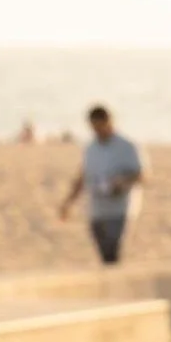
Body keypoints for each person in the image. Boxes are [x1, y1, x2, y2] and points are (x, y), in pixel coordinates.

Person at [58, 105, 145, 264]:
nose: (98, 131)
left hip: (120, 208)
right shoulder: (91, 148)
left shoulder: (127, 146)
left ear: (109, 122)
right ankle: (111, 282)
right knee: (104, 254)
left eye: (100, 126)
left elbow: (141, 175)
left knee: (113, 251)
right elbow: (82, 177)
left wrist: (120, 181)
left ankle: (115, 284)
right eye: (94, 127)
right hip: (96, 209)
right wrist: (68, 202)